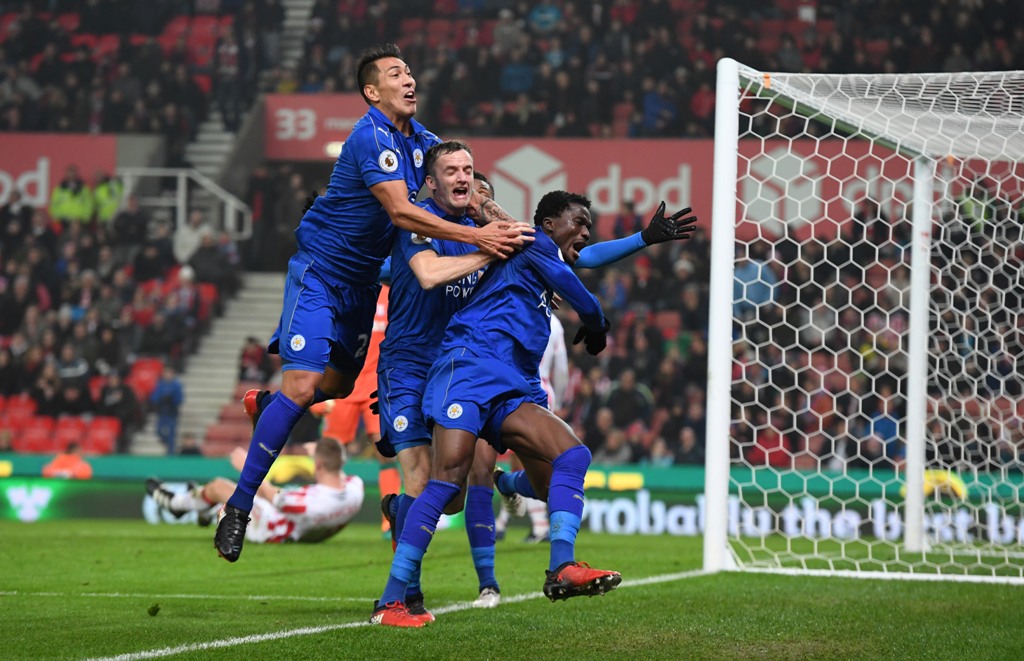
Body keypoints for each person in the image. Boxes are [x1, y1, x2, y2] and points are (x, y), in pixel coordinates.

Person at [217, 43, 530, 563]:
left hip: (363, 285)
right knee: (300, 385)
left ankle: (269, 408)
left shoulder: (424, 142)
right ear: (372, 91)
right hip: (320, 272)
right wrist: (479, 240)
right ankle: (239, 508)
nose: (409, 79)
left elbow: (468, 190)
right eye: (395, 74)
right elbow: (404, 212)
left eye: (410, 71)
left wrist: (495, 216)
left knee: (334, 386)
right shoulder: (369, 138)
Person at [371, 190, 621, 627]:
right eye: (578, 221)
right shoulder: (534, 244)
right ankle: (391, 601)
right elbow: (584, 297)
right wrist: (598, 324)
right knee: (448, 486)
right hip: (467, 369)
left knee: (570, 457)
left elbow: (582, 268)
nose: (585, 230)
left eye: (588, 224)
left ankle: (561, 566)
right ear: (546, 225)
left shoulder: (539, 263)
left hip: (513, 384)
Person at [308, 285, 401, 537]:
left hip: (376, 386)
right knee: (329, 451)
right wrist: (318, 390)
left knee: (386, 452)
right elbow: (324, 340)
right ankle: (321, 512)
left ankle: (389, 519)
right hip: (342, 385)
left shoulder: (395, 296)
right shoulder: (345, 294)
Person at [147, 438, 364, 544]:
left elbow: (269, 494)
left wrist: (247, 466)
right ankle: (203, 511)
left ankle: (175, 505)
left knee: (219, 486)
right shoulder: (355, 488)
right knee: (228, 498)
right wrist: (323, 449)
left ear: (318, 465)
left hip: (274, 528)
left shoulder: (308, 503)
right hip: (303, 528)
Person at [150, 366, 184, 455]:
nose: (168, 375)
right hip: (162, 412)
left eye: (169, 373)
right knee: (159, 431)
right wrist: (160, 400)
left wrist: (172, 400)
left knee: (172, 432)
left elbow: (179, 398)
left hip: (172, 412)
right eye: (166, 373)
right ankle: (168, 444)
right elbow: (154, 397)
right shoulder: (160, 385)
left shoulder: (176, 385)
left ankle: (170, 453)